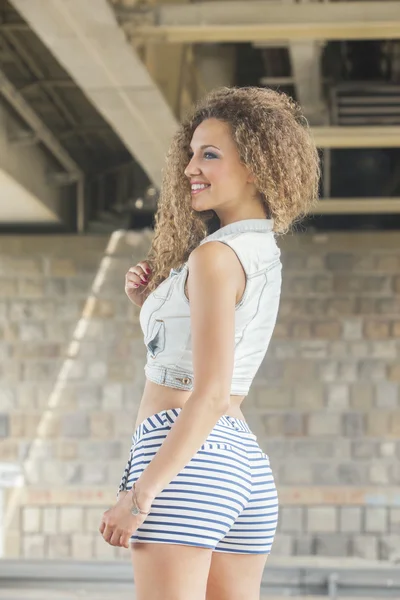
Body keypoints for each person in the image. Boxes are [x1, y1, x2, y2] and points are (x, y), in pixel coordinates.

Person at [99, 86, 320, 600]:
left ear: (258, 168)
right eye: (192, 153)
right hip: (241, 466)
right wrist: (153, 306)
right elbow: (223, 354)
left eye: (210, 155)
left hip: (185, 457)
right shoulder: (261, 250)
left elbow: (210, 392)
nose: (189, 168)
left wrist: (140, 495)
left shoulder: (213, 257)